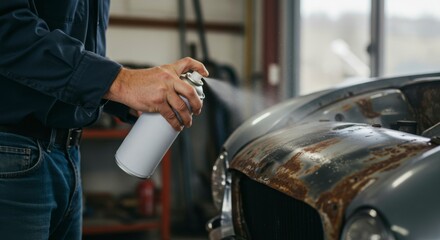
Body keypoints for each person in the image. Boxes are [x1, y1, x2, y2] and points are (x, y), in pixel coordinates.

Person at [0, 1, 208, 239]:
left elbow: (75, 52)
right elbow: (6, 27)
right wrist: (121, 81)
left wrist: (129, 95)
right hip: (12, 153)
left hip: (67, 153)